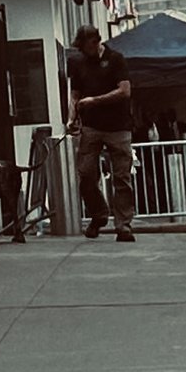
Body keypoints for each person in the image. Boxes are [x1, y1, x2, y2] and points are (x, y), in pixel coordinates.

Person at [64, 22, 138, 240]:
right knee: (86, 174)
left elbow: (124, 91)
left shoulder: (116, 59)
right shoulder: (79, 63)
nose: (84, 52)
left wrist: (94, 101)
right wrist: (71, 118)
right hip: (91, 126)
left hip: (118, 126)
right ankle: (99, 213)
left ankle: (123, 224)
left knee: (122, 177)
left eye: (86, 47)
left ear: (95, 42)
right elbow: (75, 94)